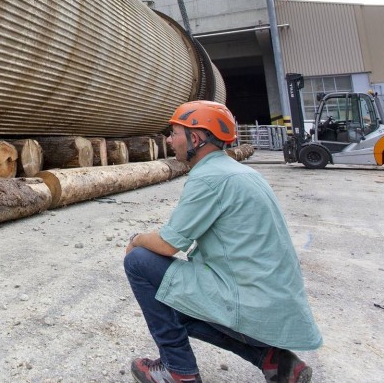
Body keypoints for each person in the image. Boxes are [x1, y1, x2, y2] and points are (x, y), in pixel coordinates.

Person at [123, 100, 322, 383]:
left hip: (249, 302)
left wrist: (137, 239)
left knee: (140, 262)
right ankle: (273, 360)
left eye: (174, 132)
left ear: (195, 137)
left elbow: (168, 244)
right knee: (170, 291)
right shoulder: (242, 173)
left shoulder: (208, 178)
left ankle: (177, 370)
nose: (169, 140)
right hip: (274, 303)